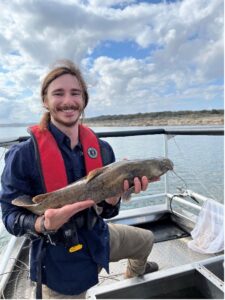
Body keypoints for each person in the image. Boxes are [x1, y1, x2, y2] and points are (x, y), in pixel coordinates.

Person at [0, 59, 159, 299]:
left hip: (97, 237)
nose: (68, 101)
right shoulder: (22, 156)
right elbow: (9, 216)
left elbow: (106, 213)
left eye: (75, 93)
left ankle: (134, 277)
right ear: (45, 100)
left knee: (146, 240)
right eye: (58, 93)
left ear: (84, 99)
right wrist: (43, 224)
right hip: (58, 260)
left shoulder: (103, 150)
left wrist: (113, 199)